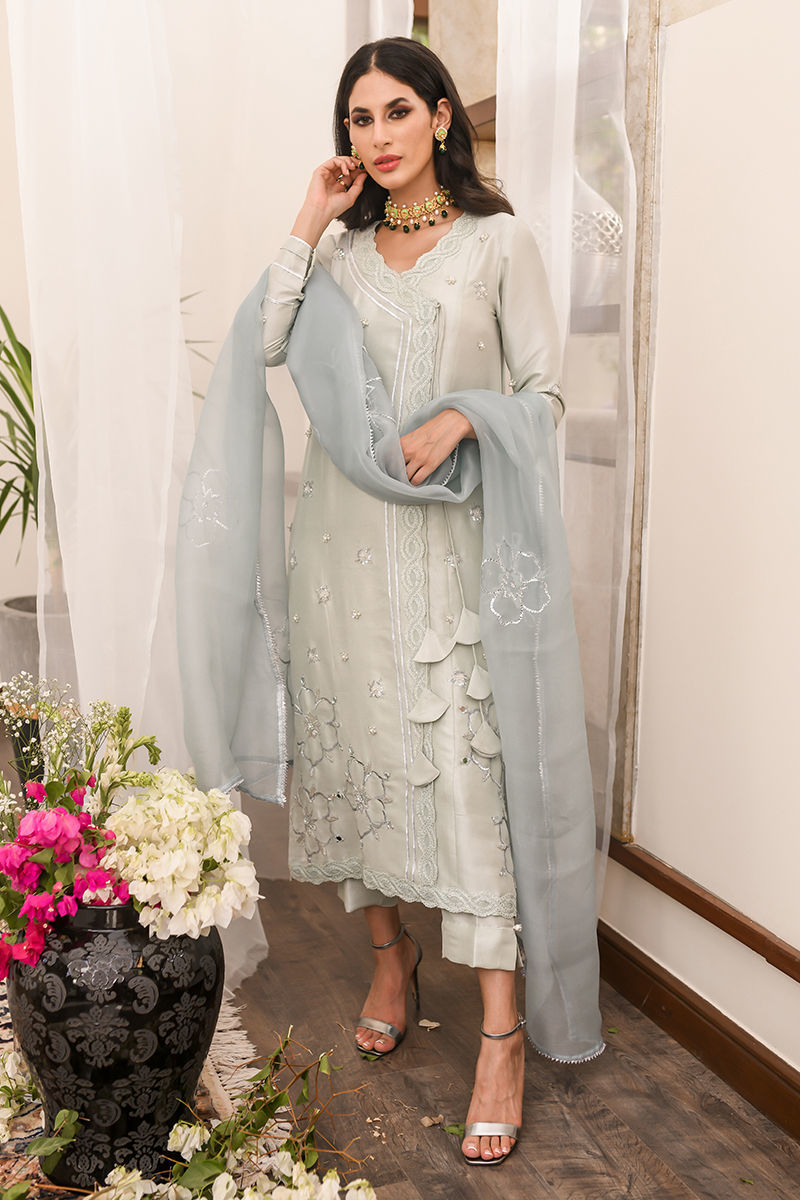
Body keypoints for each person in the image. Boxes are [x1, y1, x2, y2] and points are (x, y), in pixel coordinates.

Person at [251, 36, 599, 1168]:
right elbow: (268, 343)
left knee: (463, 774)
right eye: (359, 120)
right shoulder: (340, 258)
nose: (379, 136)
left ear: (443, 116)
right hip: (344, 552)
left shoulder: (498, 244)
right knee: (360, 750)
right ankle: (390, 956)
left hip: (454, 554)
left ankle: (500, 1032)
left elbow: (544, 396)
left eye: (398, 111)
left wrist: (463, 416)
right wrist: (311, 215)